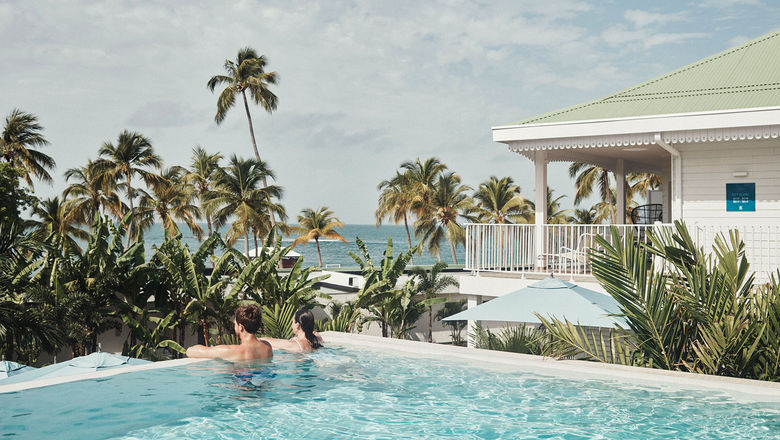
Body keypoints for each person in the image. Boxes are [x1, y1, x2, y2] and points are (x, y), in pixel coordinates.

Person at [186, 305, 273, 361]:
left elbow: (190, 351)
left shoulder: (231, 351)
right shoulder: (267, 347)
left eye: (235, 324)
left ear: (241, 327)